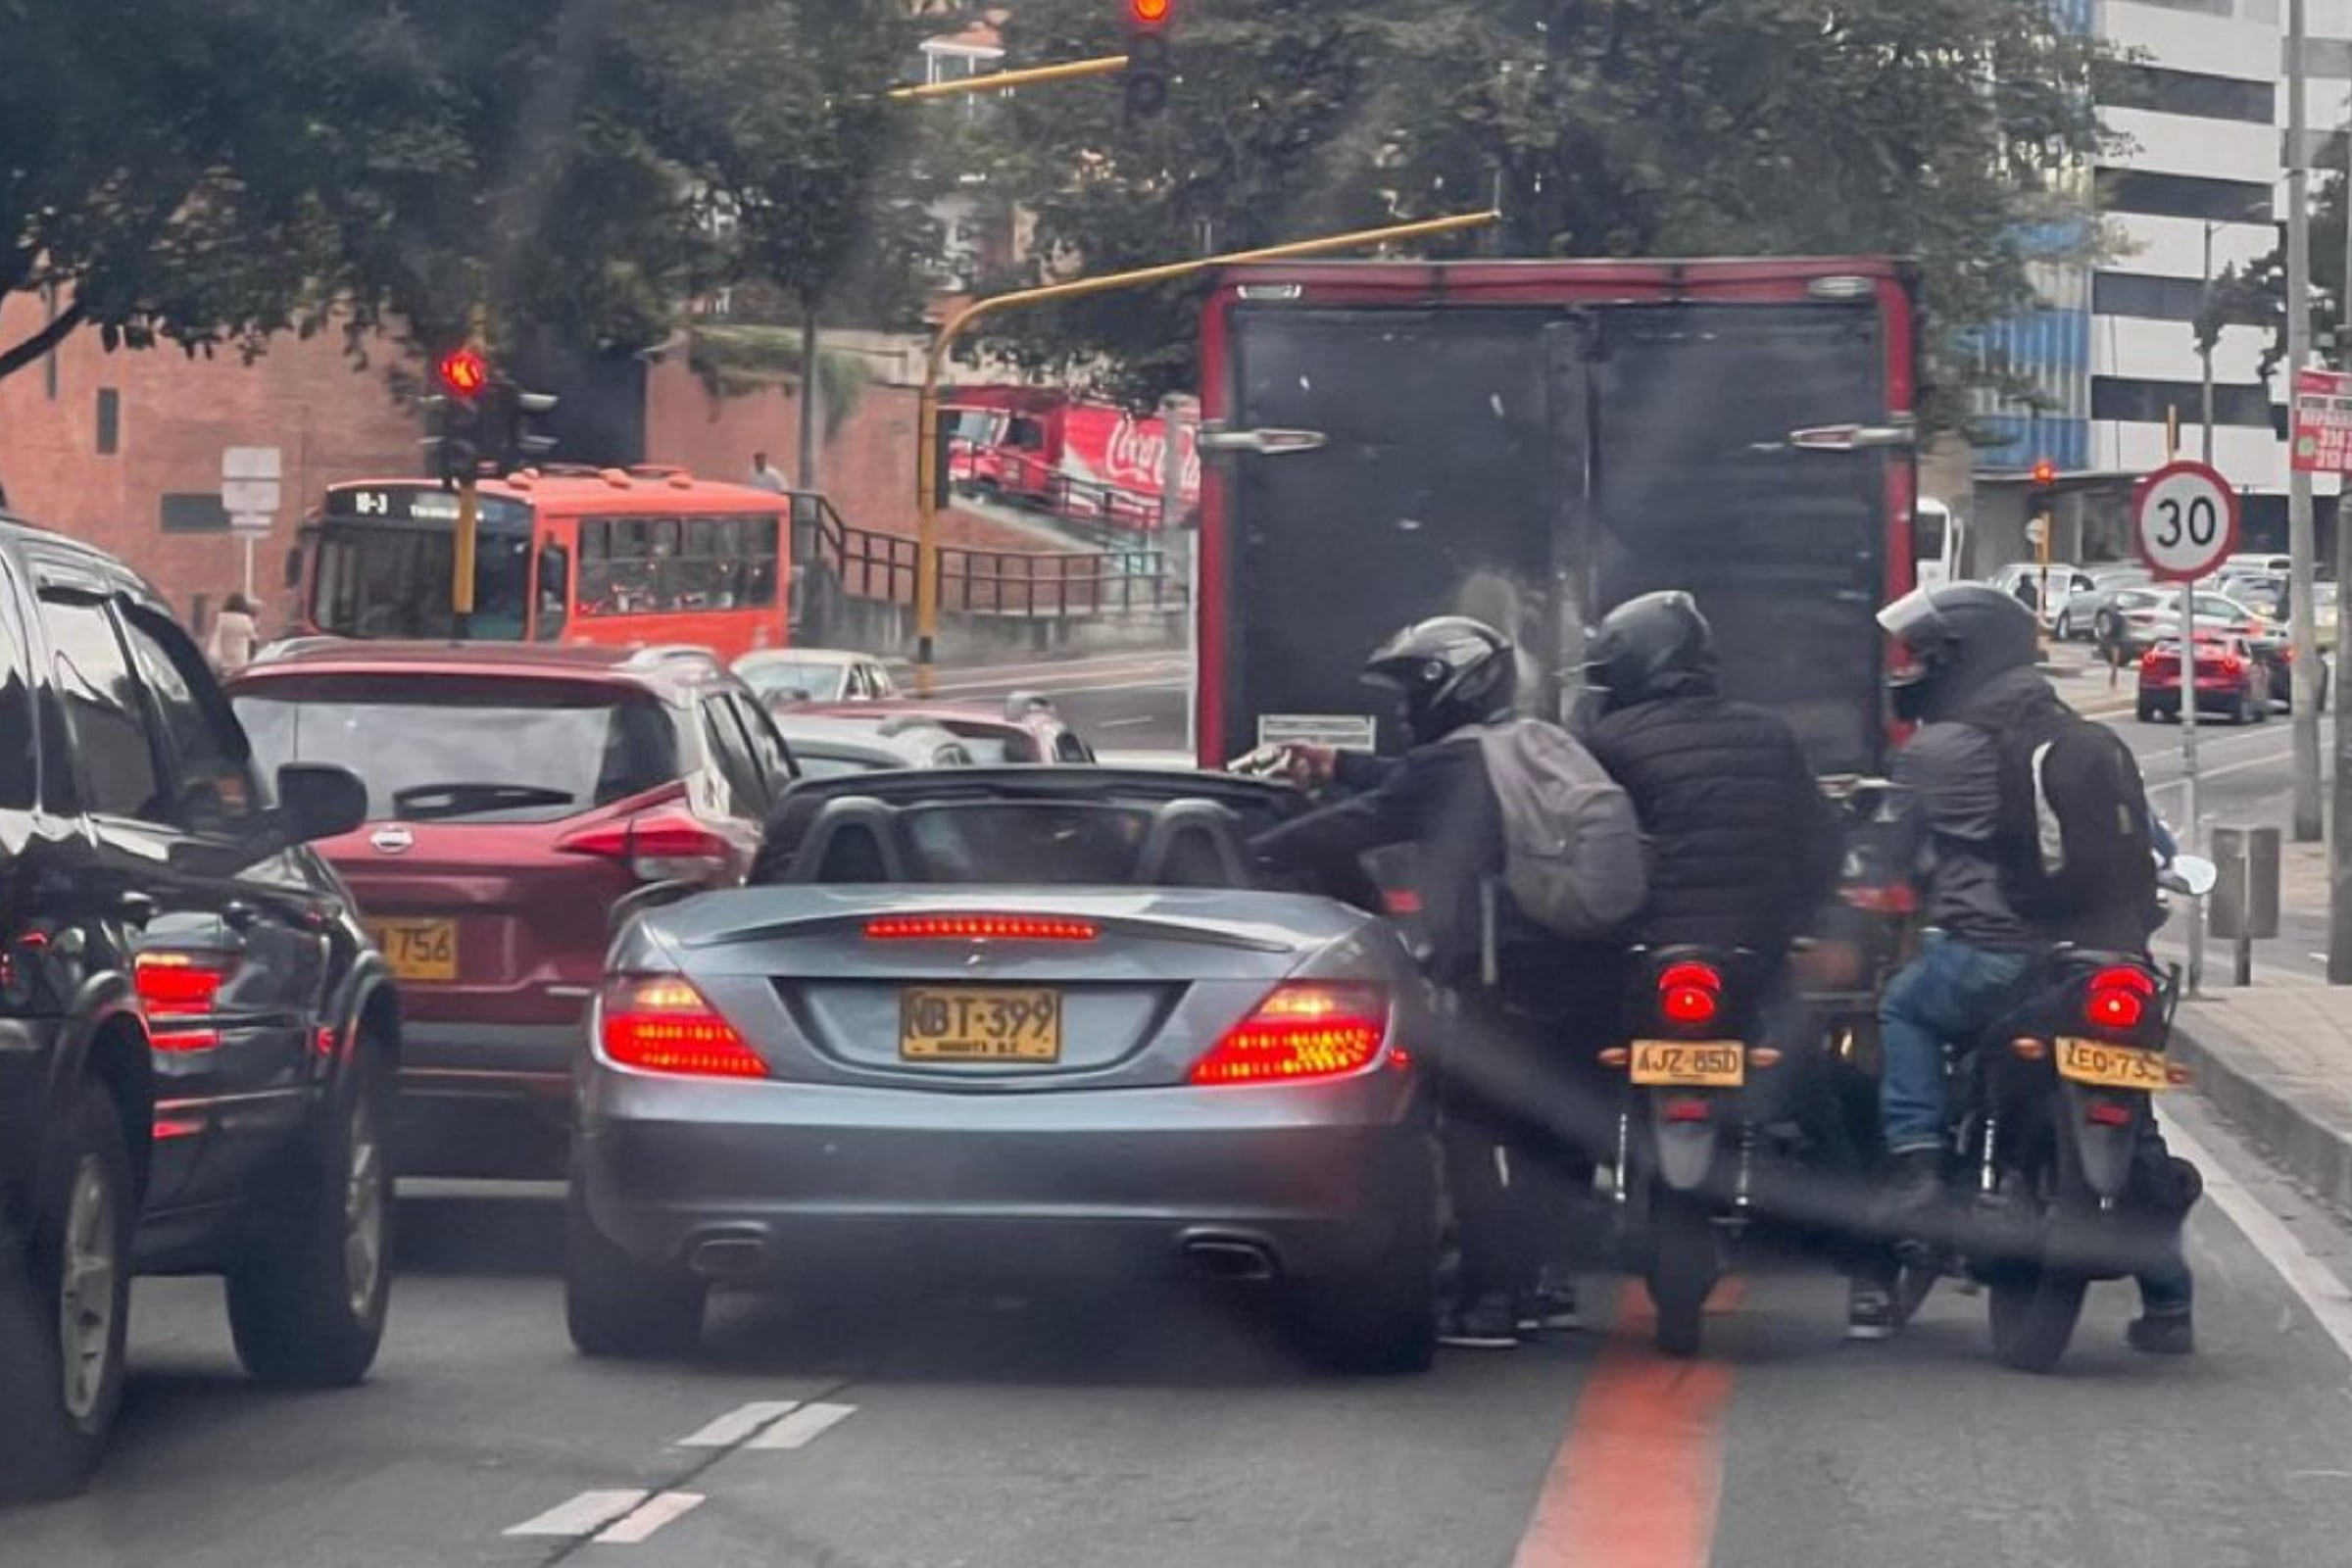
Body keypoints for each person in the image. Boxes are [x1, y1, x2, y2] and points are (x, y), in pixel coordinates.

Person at [1251, 616, 1612, 1349]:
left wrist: (1240, 847)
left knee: (1471, 1133)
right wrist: (1335, 763)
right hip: (1572, 968)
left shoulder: (1452, 767)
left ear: (1453, 685)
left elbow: (1356, 825)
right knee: (1550, 1132)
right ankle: (1544, 1284)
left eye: (1412, 690)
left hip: (1492, 977)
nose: (1405, 708)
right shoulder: (1511, 747)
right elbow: (1403, 783)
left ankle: (1490, 1296)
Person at [1872, 582, 2197, 1354]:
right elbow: (2149, 846)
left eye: (1927, 657)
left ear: (1963, 661)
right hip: (2106, 961)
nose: (1913, 669)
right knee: (2131, 1106)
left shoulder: (1936, 752)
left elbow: (1891, 854)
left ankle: (1919, 1166)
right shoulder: (2086, 741)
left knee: (1904, 1006)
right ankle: (2170, 1298)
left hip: (1992, 961)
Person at [1575, 592, 1859, 1321]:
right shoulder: (1769, 737)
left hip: (1641, 955)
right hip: (1749, 954)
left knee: (1565, 1060)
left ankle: (1536, 1258)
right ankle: (1871, 1266)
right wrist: (1791, 921)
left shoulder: (1607, 744)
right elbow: (1821, 846)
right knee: (1817, 1090)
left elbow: (1586, 854)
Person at [207, 593, 260, 674]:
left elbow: (215, 634)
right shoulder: (245, 620)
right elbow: (253, 639)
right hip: (239, 660)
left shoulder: (220, 618)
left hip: (223, 658)